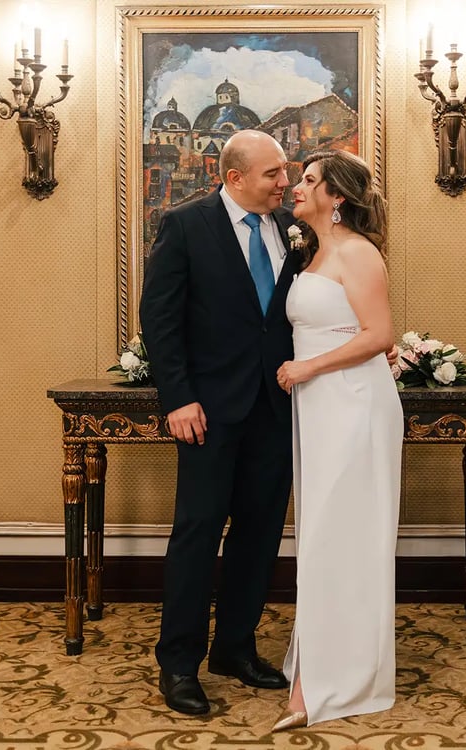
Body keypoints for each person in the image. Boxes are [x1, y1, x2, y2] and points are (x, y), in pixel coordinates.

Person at [139, 129, 300, 716]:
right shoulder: (186, 225)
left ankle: (235, 647)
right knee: (198, 535)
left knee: (258, 536)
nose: (285, 182)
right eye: (273, 174)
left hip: (276, 409)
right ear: (235, 178)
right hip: (206, 410)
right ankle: (179, 663)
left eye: (285, 172)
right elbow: (159, 318)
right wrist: (178, 398)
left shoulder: (290, 232)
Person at [273, 150, 403, 730]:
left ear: (336, 196)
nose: (295, 187)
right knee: (322, 535)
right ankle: (315, 665)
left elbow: (379, 335)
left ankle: (326, 681)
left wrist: (307, 368)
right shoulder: (313, 249)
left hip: (353, 404)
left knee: (344, 534)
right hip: (321, 410)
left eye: (307, 180)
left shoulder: (358, 251)